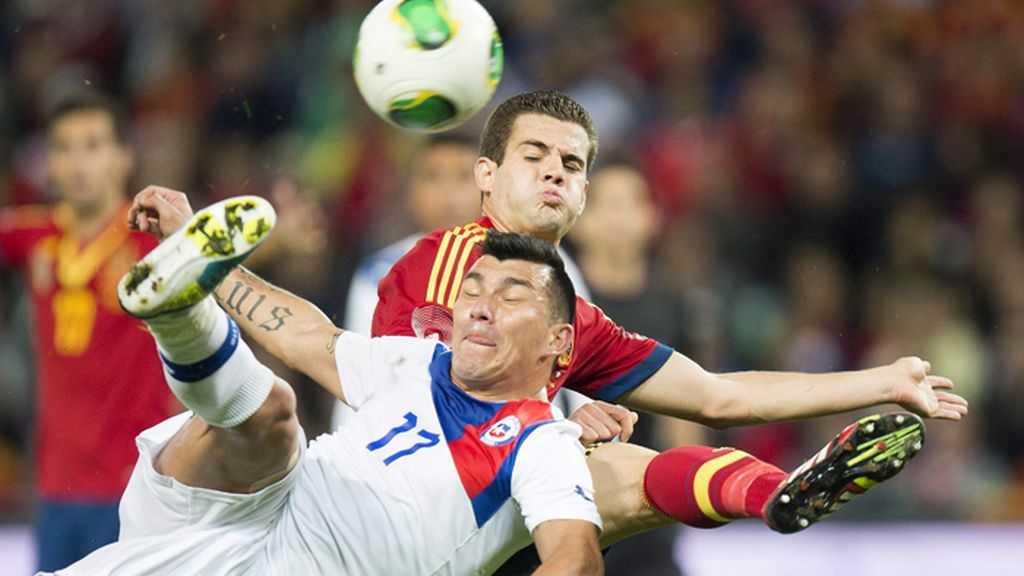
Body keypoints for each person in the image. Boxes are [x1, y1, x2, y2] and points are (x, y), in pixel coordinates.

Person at [148, 91, 966, 554]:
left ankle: (777, 493)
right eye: (534, 155)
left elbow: (715, 394)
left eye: (571, 164)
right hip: (383, 523)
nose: (554, 173)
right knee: (610, 474)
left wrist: (884, 380)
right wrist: (563, 423)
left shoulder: (566, 313)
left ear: (580, 195)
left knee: (635, 464)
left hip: (459, 525)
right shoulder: (451, 260)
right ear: (487, 174)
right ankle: (760, 493)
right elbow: (420, 400)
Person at [50, 198, 603, 575]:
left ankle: (186, 322)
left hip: (268, 562)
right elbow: (307, 335)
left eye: (509, 298)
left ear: (558, 339)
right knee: (274, 410)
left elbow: (575, 558)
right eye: (472, 291)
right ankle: (182, 314)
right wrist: (214, 268)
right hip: (240, 516)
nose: (480, 309)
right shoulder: (420, 362)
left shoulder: (540, 440)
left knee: (274, 410)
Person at [0, 92, 175, 571]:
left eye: (93, 145)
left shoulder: (150, 241)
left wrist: (280, 239)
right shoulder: (36, 237)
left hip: (134, 484)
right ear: (48, 164)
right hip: (55, 487)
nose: (78, 162)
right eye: (64, 147)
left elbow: (213, 260)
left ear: (124, 157)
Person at [336, 133, 592, 430]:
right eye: (432, 177)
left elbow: (586, 369)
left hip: (527, 443)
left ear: (489, 183)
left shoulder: (543, 263)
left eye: (461, 177)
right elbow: (356, 372)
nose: (448, 194)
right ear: (410, 192)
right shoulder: (381, 271)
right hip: (415, 448)